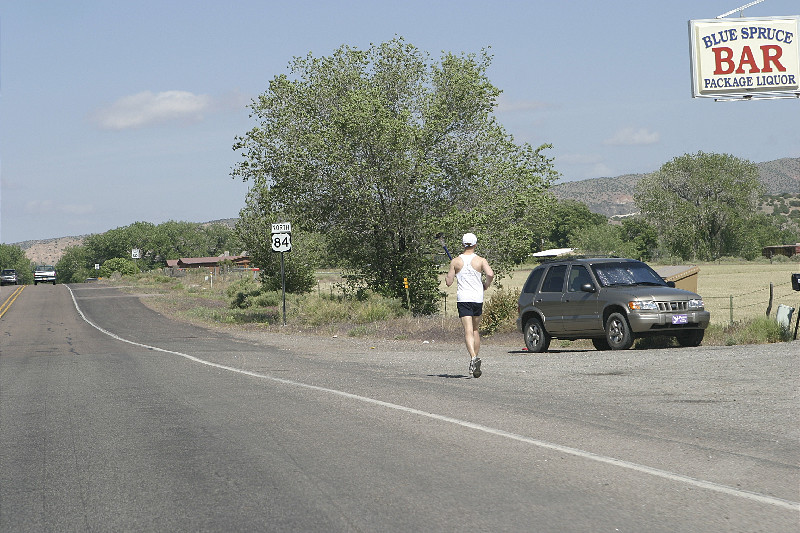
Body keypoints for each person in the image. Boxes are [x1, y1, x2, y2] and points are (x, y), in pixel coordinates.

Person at [445, 232, 494, 378]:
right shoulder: (480, 260)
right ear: (475, 244)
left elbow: (449, 282)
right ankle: (474, 361)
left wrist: (450, 274)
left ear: (463, 244)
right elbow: (490, 274)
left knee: (468, 330)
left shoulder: (456, 261)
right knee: (475, 330)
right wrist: (486, 284)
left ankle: (473, 357)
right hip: (477, 298)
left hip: (464, 298)